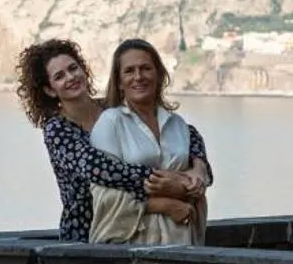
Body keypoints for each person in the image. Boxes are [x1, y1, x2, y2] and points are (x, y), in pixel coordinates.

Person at [16, 37, 198, 243]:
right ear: (50, 89)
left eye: (73, 68)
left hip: (134, 227)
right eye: (59, 76)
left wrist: (198, 167)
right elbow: (99, 169)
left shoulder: (111, 108)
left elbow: (184, 132)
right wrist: (163, 180)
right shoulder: (57, 129)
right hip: (86, 234)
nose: (71, 77)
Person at [89, 38, 211, 245]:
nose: (138, 77)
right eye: (129, 71)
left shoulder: (178, 124)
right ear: (119, 82)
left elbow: (197, 178)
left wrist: (190, 185)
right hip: (131, 243)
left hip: (181, 238)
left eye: (146, 68)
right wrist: (165, 205)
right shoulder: (110, 122)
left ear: (159, 74)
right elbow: (103, 193)